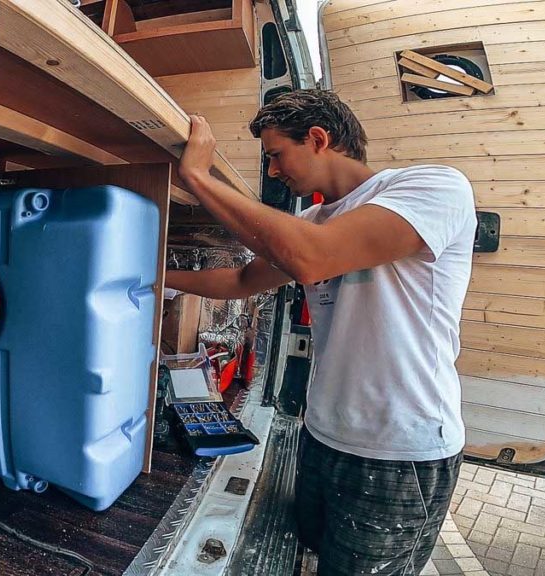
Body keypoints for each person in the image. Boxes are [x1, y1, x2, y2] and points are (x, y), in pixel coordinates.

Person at [167, 89, 477, 575]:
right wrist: (154, 276)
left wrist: (197, 177)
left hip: (398, 449)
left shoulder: (432, 187)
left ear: (317, 138)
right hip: (324, 434)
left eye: (275, 155)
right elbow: (242, 280)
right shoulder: (312, 220)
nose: (272, 171)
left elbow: (313, 258)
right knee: (310, 553)